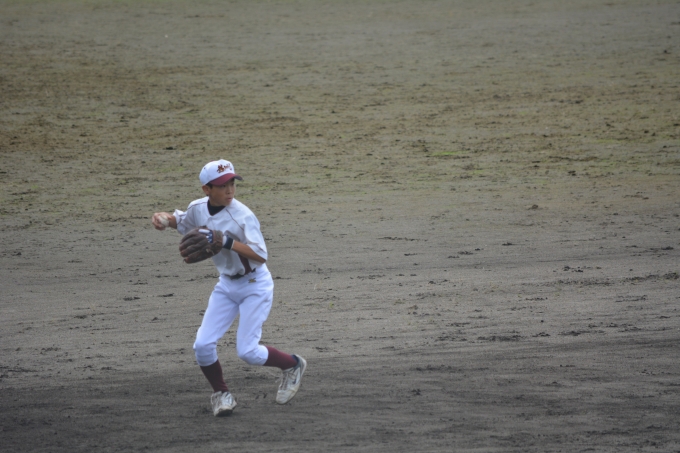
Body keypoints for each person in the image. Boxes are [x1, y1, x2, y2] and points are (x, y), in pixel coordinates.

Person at [151, 159, 306, 417]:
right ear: (207, 189)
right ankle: (221, 394)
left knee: (248, 352)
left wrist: (225, 241)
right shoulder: (198, 208)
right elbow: (181, 220)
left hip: (255, 285)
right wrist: (164, 219)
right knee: (202, 346)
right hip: (226, 285)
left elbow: (261, 255)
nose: (230, 190)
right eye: (223, 185)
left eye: (232, 183)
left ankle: (292, 365)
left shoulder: (242, 215)